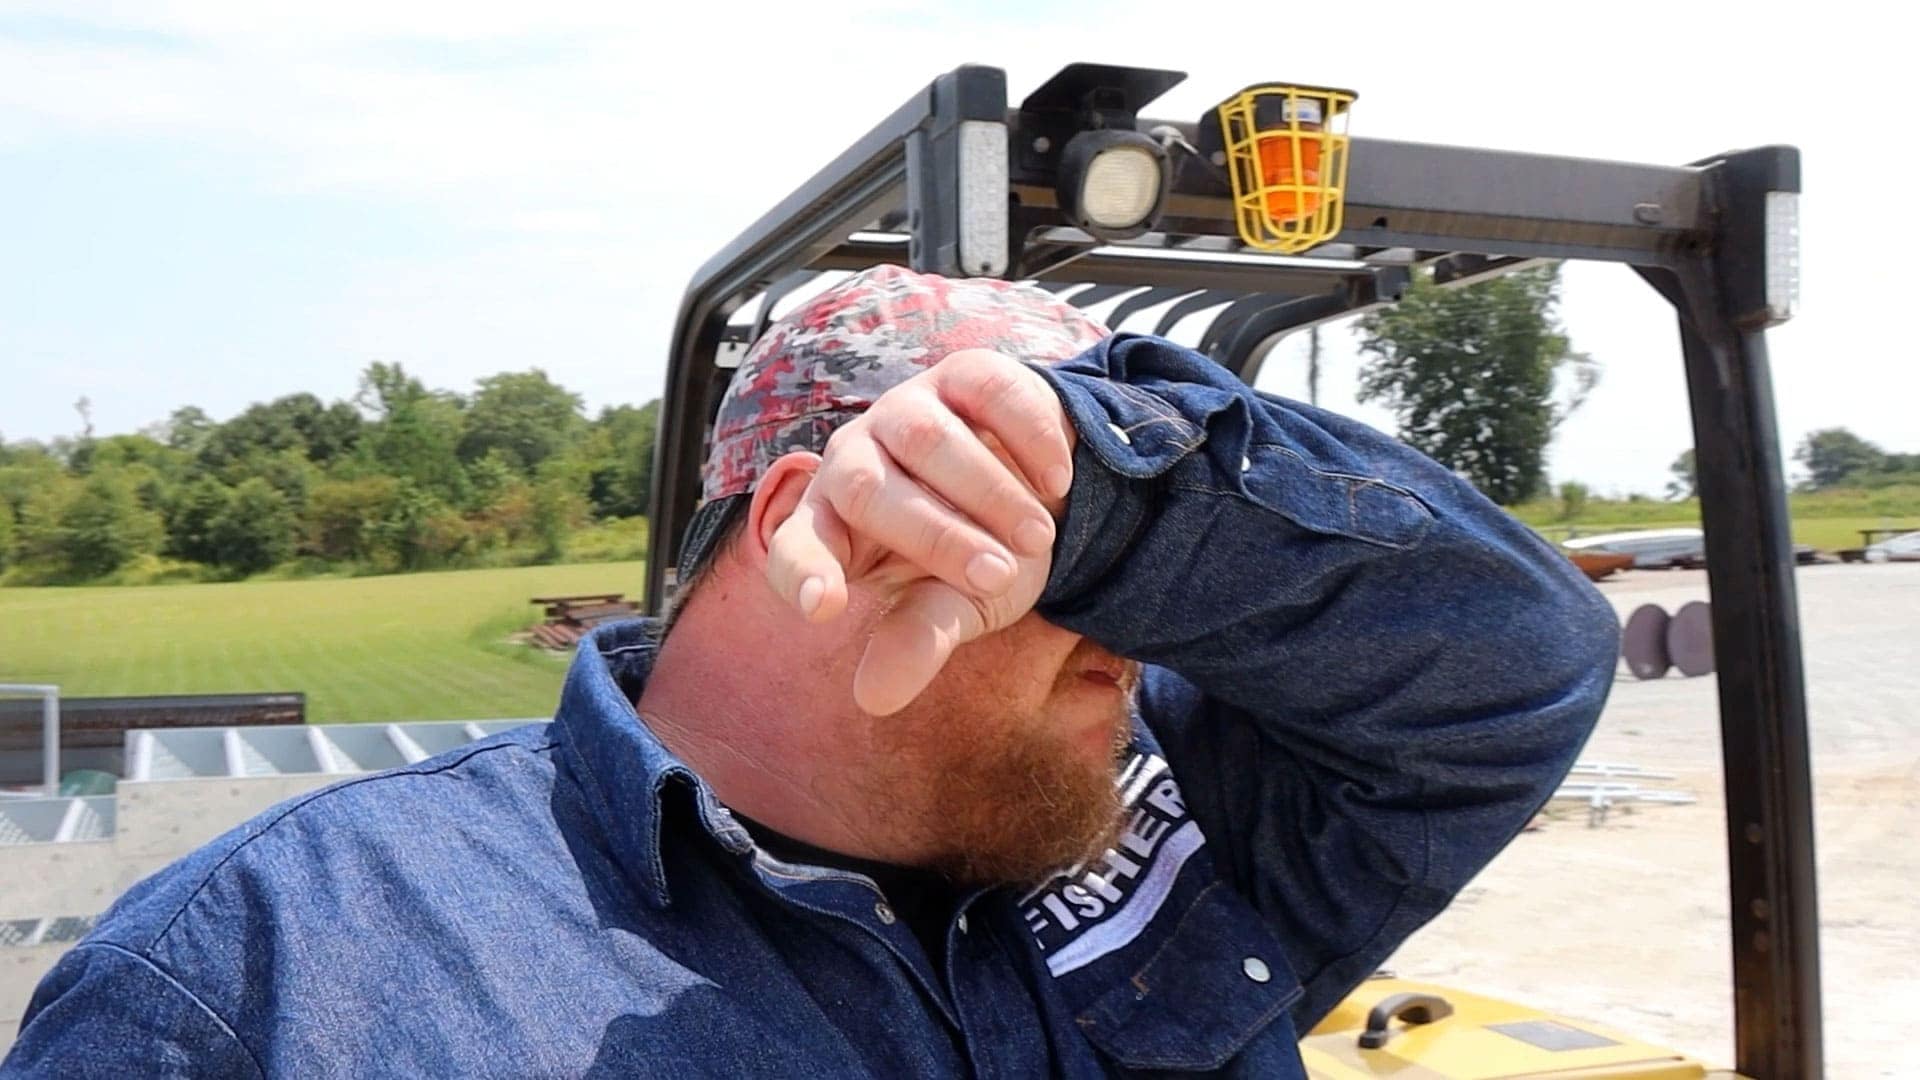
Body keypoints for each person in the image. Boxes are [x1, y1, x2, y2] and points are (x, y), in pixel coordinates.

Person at [4, 266, 1617, 1078]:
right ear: (804, 532)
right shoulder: (268, 977)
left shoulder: (1169, 816)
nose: (1136, 642)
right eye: (1046, 554)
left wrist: (1140, 502)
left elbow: (1517, 667)